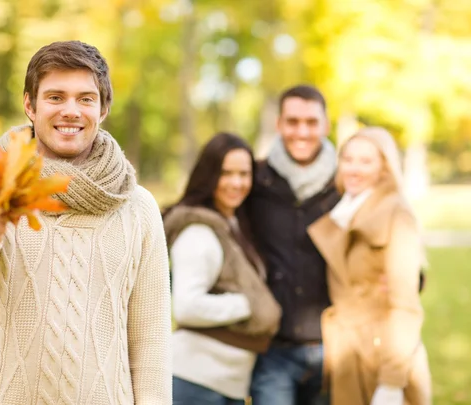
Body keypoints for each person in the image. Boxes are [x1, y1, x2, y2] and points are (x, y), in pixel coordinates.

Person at [0, 40, 172, 405]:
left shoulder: (139, 207)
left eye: (85, 98)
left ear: (103, 108)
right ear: (29, 105)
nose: (71, 111)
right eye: (55, 97)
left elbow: (151, 341)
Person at [307, 127, 431, 405]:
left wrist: (391, 382)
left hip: (386, 356)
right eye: (348, 159)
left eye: (366, 161)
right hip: (347, 357)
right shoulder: (343, 211)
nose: (354, 169)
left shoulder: (396, 213)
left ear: (384, 167)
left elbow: (406, 307)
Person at [163, 132, 281, 405]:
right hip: (195, 383)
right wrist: (249, 305)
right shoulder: (198, 232)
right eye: (226, 173)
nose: (237, 183)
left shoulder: (233, 225)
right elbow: (187, 306)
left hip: (225, 386)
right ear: (209, 176)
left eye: (244, 174)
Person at [247, 85, 339, 405]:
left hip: (335, 348)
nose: (302, 131)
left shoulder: (344, 184)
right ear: (279, 124)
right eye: (293, 121)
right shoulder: (254, 180)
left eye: (312, 122)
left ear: (326, 125)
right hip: (273, 350)